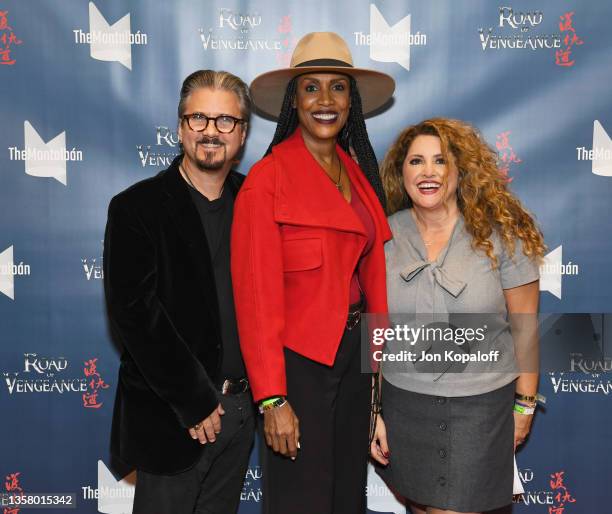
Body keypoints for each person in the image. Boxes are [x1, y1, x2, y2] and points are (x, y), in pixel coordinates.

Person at [230, 32, 395, 514]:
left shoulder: (358, 172)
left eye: (338, 87)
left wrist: (375, 377)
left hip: (353, 361)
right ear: (293, 100)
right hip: (297, 369)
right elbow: (255, 299)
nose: (325, 100)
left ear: (352, 99)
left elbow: (371, 282)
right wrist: (272, 399)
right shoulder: (268, 179)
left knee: (347, 498)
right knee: (301, 500)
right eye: (310, 87)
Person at [372, 118, 545, 514]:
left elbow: (526, 327)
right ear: (402, 172)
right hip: (405, 405)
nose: (428, 172)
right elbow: (375, 332)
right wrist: (373, 412)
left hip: (480, 410)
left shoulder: (500, 234)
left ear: (460, 169)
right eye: (416, 161)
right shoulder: (382, 236)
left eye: (440, 161)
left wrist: (525, 405)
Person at [103, 70, 254, 514]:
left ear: (242, 134)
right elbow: (135, 314)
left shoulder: (257, 202)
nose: (211, 131)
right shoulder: (136, 207)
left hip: (242, 411)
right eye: (199, 119)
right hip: (173, 418)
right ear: (180, 128)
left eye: (225, 121)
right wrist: (195, 402)